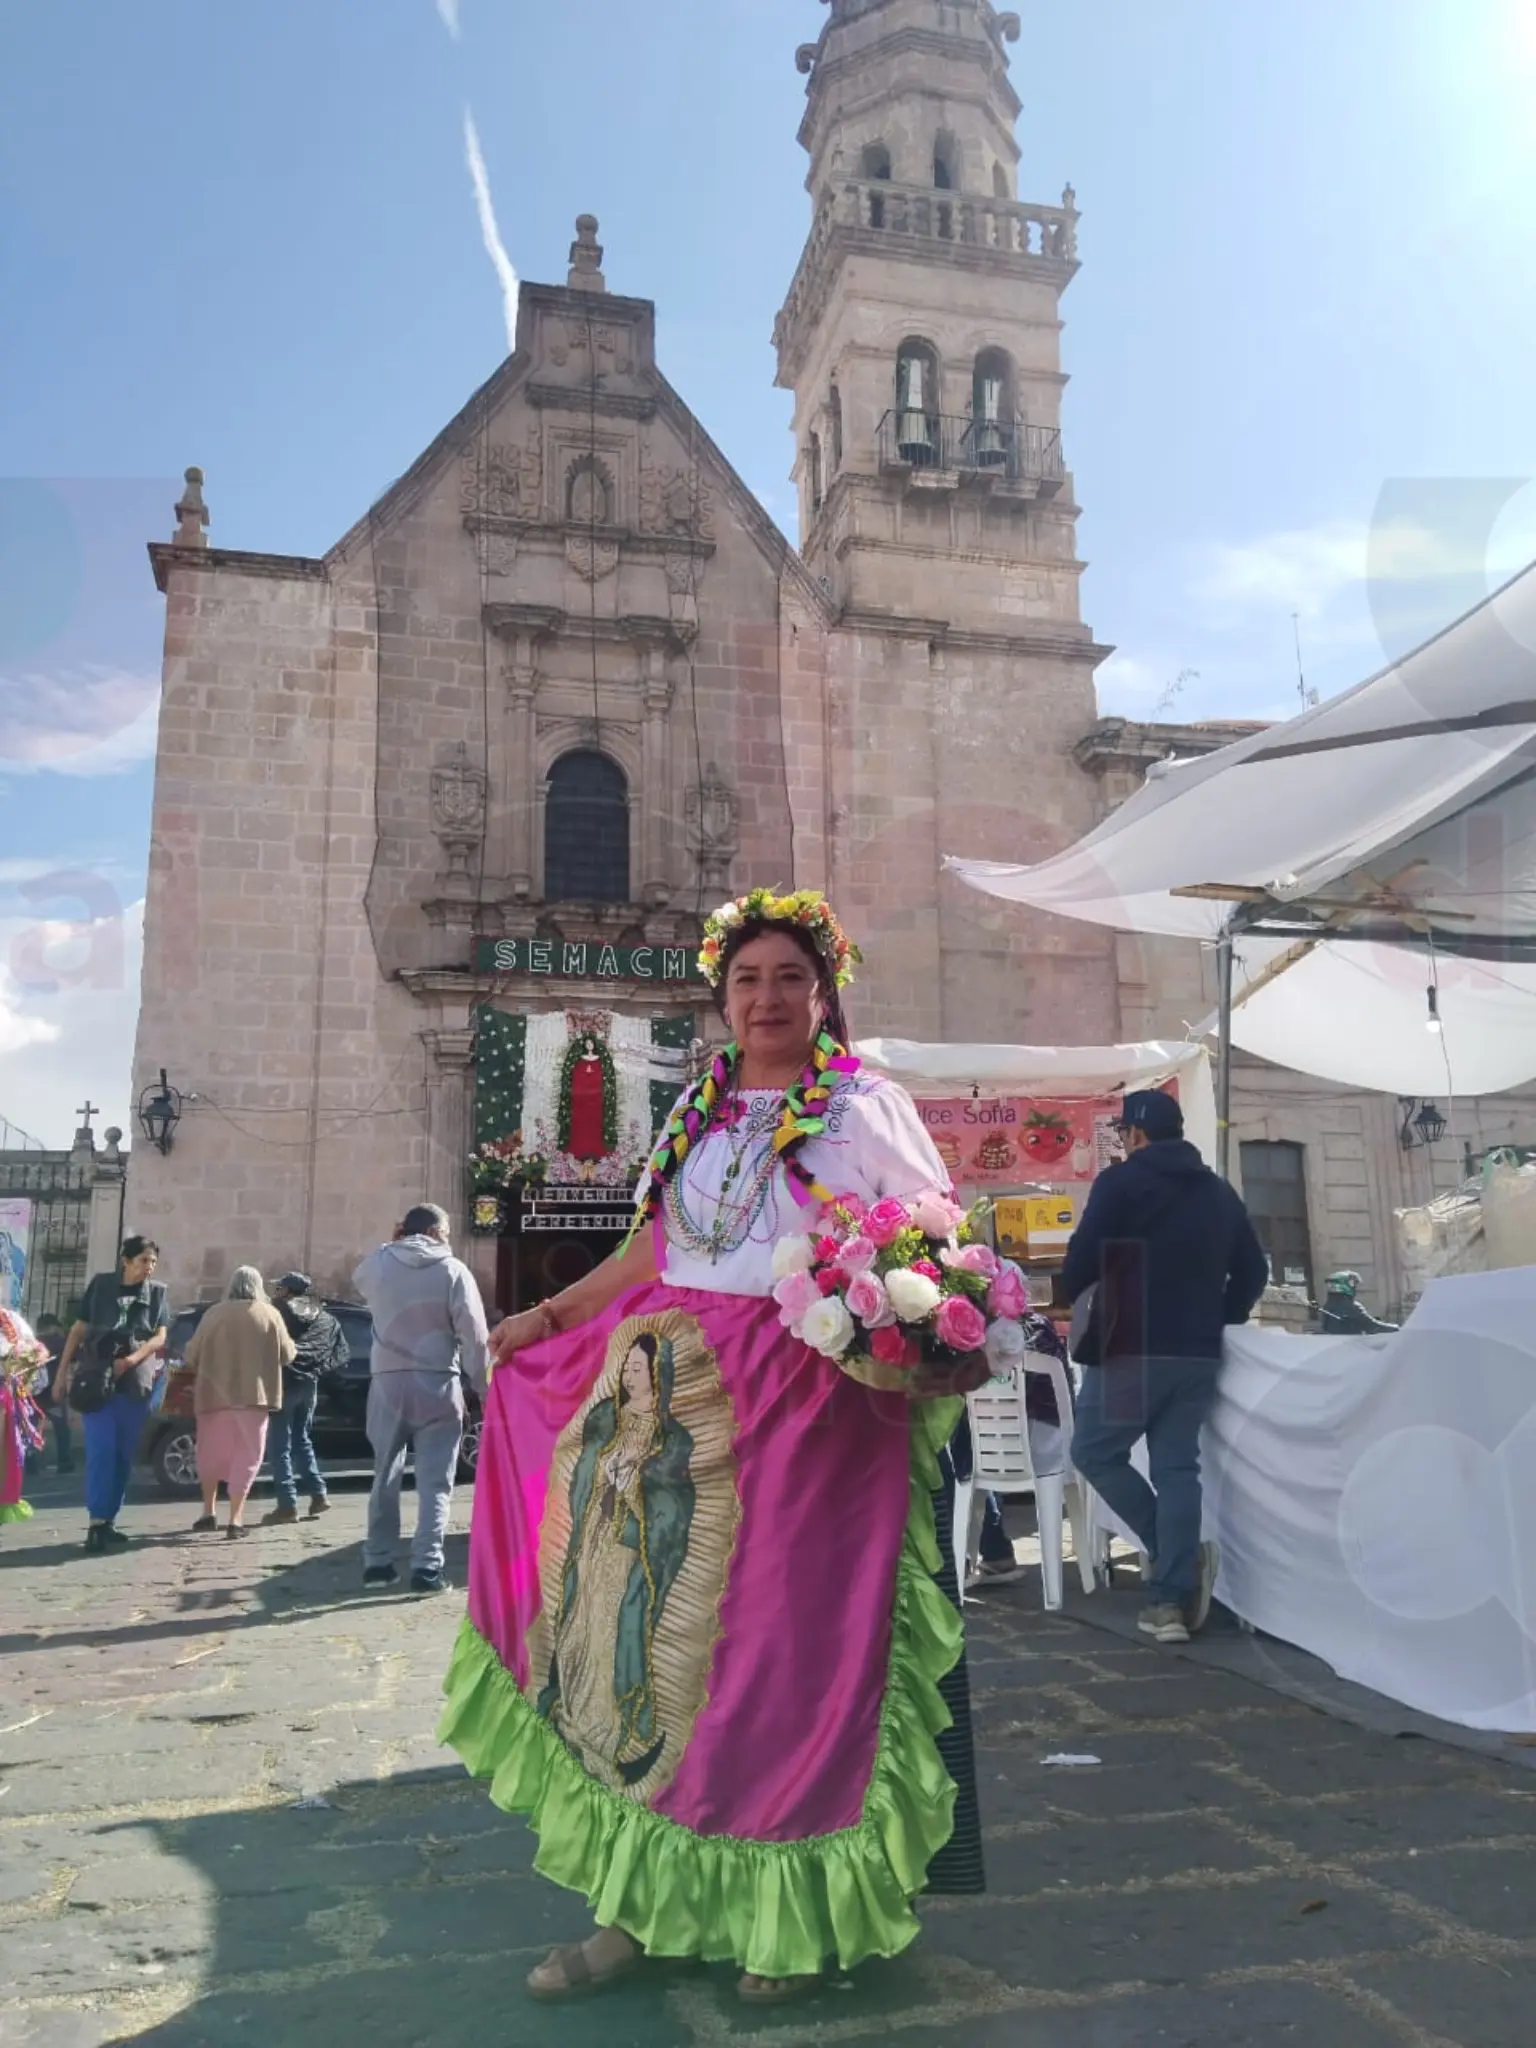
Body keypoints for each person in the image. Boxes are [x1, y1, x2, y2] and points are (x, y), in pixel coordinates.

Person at [439, 888, 989, 2008]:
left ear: (824, 991)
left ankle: (783, 1912)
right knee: (637, 1649)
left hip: (813, 1406)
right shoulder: (697, 1104)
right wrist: (548, 1316)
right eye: (748, 980)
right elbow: (658, 1244)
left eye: (790, 976)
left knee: (784, 1661)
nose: (769, 996)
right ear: (722, 999)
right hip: (673, 1398)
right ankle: (638, 1908)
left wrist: (905, 1300)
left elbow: (933, 1232)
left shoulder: (866, 1104)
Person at [1065, 1089, 1269, 1645]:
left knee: (1094, 1451)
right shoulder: (1218, 1192)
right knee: (1177, 1468)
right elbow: (1254, 1270)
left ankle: (1176, 1563)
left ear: (1134, 1135)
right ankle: (1169, 1601)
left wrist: (1089, 1294)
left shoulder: (1121, 1183)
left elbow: (1080, 1263)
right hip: (1198, 1352)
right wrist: (1219, 1315)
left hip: (1132, 1344)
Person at [353, 1204, 488, 1595]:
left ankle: (378, 1563)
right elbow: (475, 1337)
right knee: (436, 1482)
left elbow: (358, 1277)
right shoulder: (454, 1271)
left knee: (385, 1474)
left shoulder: (378, 1264)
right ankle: (427, 1568)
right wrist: (482, 1387)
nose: (447, 1239)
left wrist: (392, 1243)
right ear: (434, 1231)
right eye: (445, 1232)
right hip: (438, 1382)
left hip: (387, 1382)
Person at [55, 1236, 170, 1553]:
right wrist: (62, 1372)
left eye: (153, 1262)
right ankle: (95, 1522)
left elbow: (160, 1336)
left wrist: (134, 1359)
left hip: (134, 1381)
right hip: (96, 1377)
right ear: (126, 1260)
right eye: (144, 1260)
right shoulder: (102, 1285)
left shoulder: (158, 1293)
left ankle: (109, 1520)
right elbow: (79, 1330)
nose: (149, 1267)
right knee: (101, 1451)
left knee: (122, 1455)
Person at [185, 1268, 294, 1539]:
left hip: (213, 1396)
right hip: (253, 1397)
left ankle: (208, 1512)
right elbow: (288, 1354)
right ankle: (235, 1520)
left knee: (209, 1454)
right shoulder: (270, 1314)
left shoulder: (213, 1314)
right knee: (247, 1456)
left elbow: (191, 1353)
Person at [261, 1273, 348, 1525]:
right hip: (309, 1383)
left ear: (288, 1292)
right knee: (302, 1439)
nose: (277, 1293)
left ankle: (287, 1505)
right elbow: (336, 1349)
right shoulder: (324, 1316)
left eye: (280, 1288)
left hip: (284, 1383)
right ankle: (318, 1494)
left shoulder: (278, 1311)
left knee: (280, 1447)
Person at [34, 1315, 74, 1475]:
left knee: (34, 1428)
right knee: (62, 1429)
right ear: (53, 1326)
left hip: (35, 1393)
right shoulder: (60, 1342)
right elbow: (77, 1354)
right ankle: (64, 1462)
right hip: (54, 1393)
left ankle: (31, 1462)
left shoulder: (33, 1343)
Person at [1319, 1270, 1397, 1336]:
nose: (1355, 1288)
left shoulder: (1328, 1306)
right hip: (1352, 1349)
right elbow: (1373, 1326)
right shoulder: (1351, 1307)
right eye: (1354, 1285)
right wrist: (1396, 1328)